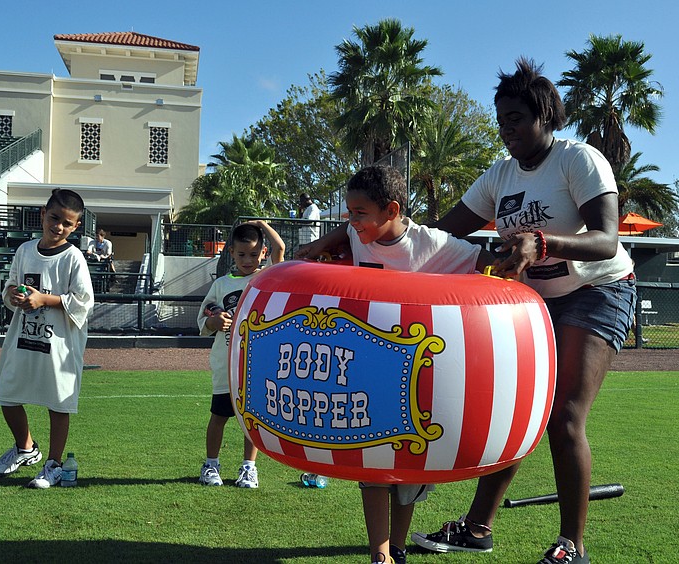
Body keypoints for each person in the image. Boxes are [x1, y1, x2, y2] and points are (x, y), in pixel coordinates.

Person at [299, 58, 636, 564]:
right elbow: (436, 233)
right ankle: (478, 528)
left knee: (563, 418)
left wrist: (538, 241)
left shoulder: (578, 160)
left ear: (545, 115)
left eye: (516, 119)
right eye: (501, 120)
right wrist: (354, 235)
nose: (507, 131)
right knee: (519, 415)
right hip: (532, 299)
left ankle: (572, 546)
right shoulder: (499, 175)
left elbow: (607, 240)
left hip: (597, 290)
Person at [341, 165, 493, 564]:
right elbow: (348, 235)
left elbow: (484, 262)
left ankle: (399, 545)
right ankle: (379, 552)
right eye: (348, 212)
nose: (350, 221)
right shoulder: (358, 235)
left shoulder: (434, 244)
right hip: (367, 369)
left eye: (358, 213)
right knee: (371, 463)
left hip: (419, 375)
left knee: (408, 468)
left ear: (391, 210)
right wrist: (326, 240)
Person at [0, 188, 95, 488]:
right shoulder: (25, 251)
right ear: (42, 214)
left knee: (58, 403)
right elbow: (10, 288)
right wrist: (14, 294)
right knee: (6, 396)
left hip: (59, 347)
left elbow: (84, 301)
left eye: (67, 222)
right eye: (54, 218)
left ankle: (54, 463)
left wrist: (44, 300)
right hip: (23, 339)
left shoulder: (74, 258)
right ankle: (25, 448)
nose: (58, 226)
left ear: (75, 227)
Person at [197, 220, 285, 488]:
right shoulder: (221, 284)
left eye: (254, 254)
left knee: (251, 420)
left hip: (256, 364)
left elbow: (280, 248)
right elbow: (205, 316)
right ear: (231, 253)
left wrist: (262, 224)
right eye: (242, 254)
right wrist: (213, 322)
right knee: (219, 416)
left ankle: (249, 468)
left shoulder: (267, 278)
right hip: (227, 364)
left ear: (263, 254)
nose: (248, 260)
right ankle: (211, 465)